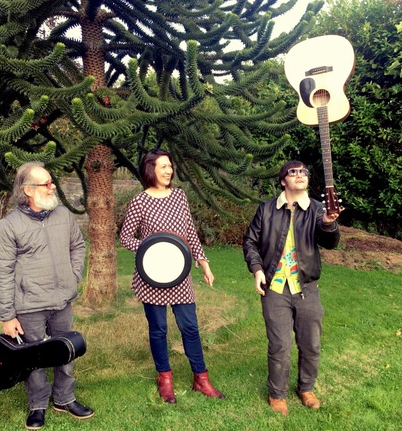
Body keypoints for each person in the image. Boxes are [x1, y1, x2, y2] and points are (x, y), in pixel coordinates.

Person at [0, 162, 94, 430]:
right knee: (33, 357)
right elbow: (3, 271)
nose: (53, 187)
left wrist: (73, 276)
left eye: (51, 181)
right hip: (30, 304)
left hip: (62, 300)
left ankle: (65, 398)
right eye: (46, 183)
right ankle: (38, 404)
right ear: (28, 190)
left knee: (65, 352)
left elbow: (78, 245)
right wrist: (7, 316)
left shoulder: (63, 214)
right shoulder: (9, 226)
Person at [120, 148, 225, 403]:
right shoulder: (140, 201)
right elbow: (125, 238)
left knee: (190, 327)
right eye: (163, 166)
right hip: (152, 277)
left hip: (180, 276)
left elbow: (189, 232)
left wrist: (204, 262)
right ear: (151, 169)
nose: (169, 171)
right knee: (159, 330)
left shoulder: (179, 196)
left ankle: (201, 378)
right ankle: (164, 379)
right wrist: (151, 250)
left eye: (170, 166)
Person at [242, 160, 340, 416]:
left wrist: (329, 223)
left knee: (311, 344)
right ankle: (277, 394)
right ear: (283, 180)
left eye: (303, 172)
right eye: (293, 172)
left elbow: (330, 242)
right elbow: (250, 242)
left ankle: (306, 388)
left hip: (306, 288)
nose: (300, 175)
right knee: (280, 345)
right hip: (275, 288)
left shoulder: (318, 210)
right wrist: (257, 269)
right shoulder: (266, 210)